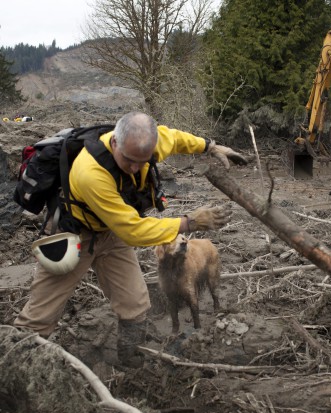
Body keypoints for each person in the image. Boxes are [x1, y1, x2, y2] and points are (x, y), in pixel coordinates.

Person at [14, 111, 248, 367]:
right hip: (74, 234)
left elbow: (176, 138)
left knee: (134, 303)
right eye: (129, 160)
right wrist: (189, 222)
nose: (135, 167)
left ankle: (130, 362)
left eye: (142, 161)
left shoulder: (143, 144)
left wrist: (211, 146)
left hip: (110, 234)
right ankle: (17, 365)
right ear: (115, 142)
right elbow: (133, 230)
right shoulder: (91, 172)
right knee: (40, 314)